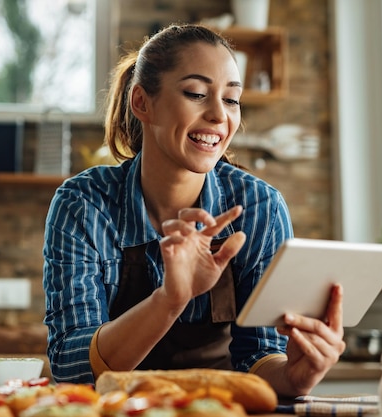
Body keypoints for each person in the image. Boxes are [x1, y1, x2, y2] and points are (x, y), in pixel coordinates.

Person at [42, 23, 345, 397]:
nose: (220, 115)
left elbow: (261, 356)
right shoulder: (84, 204)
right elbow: (71, 364)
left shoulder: (259, 208)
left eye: (232, 99)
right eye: (197, 93)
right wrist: (169, 300)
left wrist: (294, 376)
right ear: (142, 102)